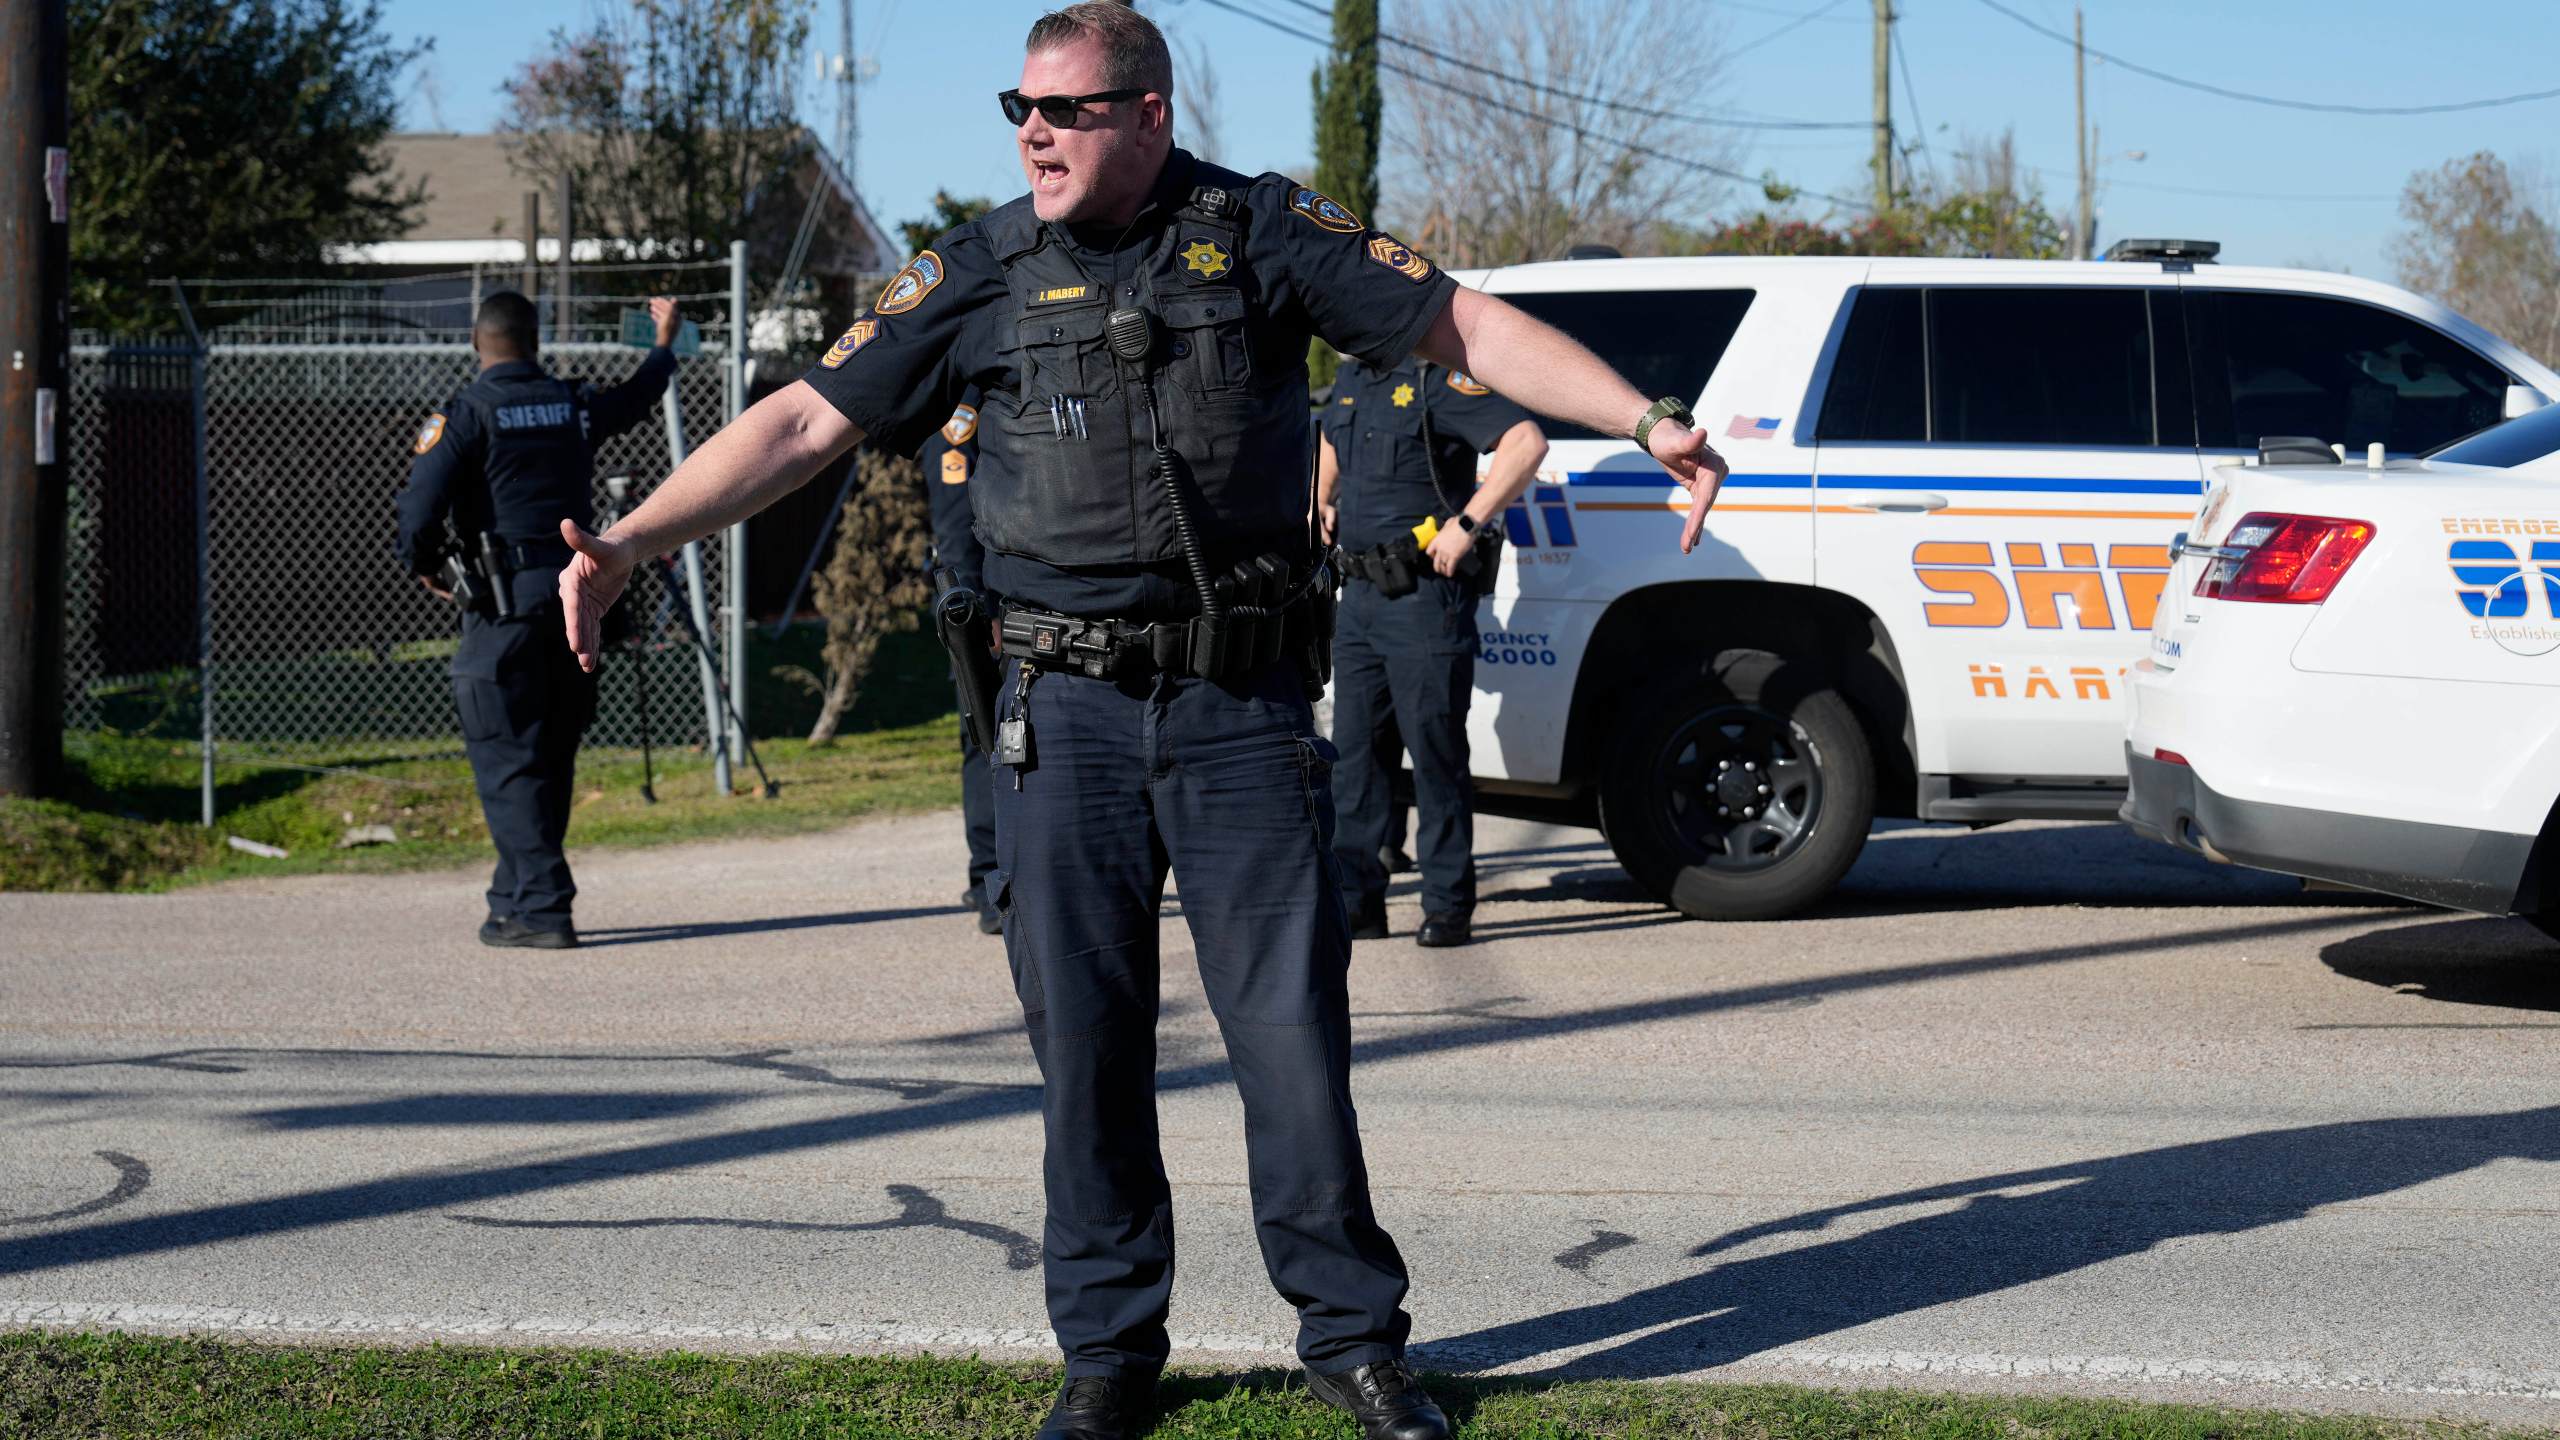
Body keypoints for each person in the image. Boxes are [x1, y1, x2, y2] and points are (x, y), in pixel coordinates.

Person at [550, 8, 1726, 1435]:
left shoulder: (1265, 232)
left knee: (1290, 1037)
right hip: (1065, 718)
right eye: (1017, 107)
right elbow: (803, 423)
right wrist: (630, 540)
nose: (1032, 131)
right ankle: (1108, 1356)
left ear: (1149, 113)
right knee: (1089, 1048)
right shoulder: (977, 270)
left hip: (1239, 706)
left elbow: (1461, 322)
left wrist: (1644, 415)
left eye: (1065, 108)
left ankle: (1355, 1343)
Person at [395, 292, 681, 949]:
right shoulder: (573, 406)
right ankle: (513, 897)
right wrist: (663, 343)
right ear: (535, 339)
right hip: (577, 602)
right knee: (549, 756)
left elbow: (418, 511)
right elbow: (638, 396)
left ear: (477, 342)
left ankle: (545, 907)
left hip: (504, 610)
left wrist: (429, 566)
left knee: (506, 760)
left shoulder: (466, 415)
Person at [1319, 356, 1547, 947]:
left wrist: (1468, 522)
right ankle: (1358, 902)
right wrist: (1321, 496)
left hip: (1424, 597)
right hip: (1360, 594)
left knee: (1435, 753)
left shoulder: (1435, 380)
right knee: (1355, 758)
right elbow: (1330, 438)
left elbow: (1526, 443)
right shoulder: (1349, 380)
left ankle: (1447, 904)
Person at [917, 386, 1002, 934]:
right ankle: (990, 873)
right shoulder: (960, 416)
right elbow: (954, 525)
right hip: (986, 608)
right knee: (987, 736)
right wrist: (974, 614)